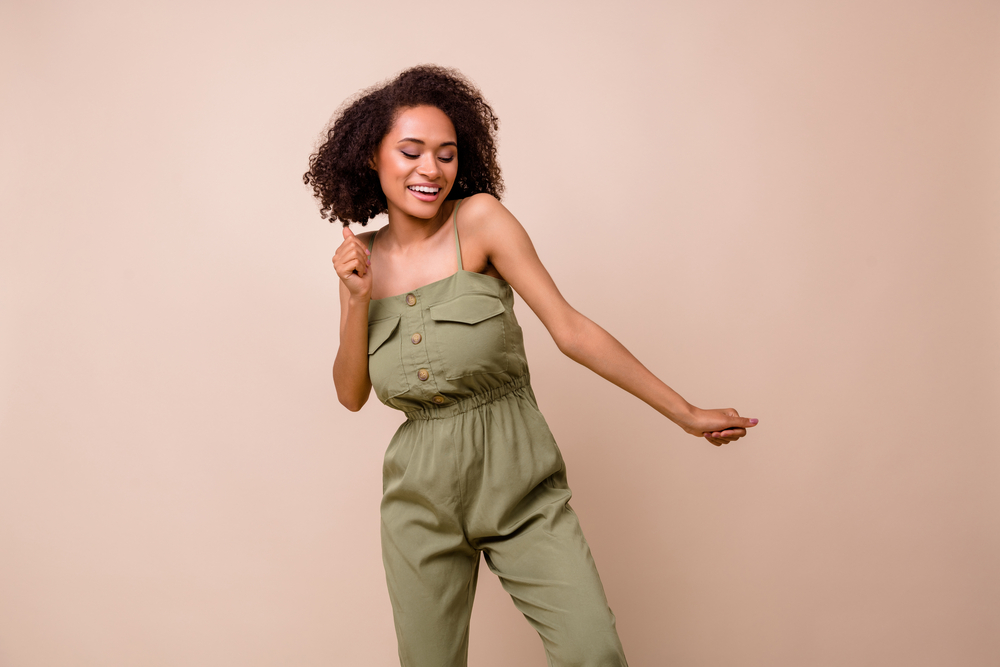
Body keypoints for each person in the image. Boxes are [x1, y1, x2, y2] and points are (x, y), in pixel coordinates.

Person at [304, 65, 758, 667]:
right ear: (371, 158)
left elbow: (570, 329)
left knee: (591, 651)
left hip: (516, 477)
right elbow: (351, 393)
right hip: (420, 495)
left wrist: (686, 413)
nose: (430, 170)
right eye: (410, 152)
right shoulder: (361, 259)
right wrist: (358, 298)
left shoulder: (481, 221)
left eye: (446, 154)